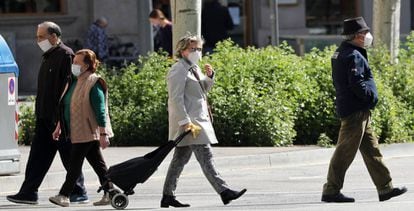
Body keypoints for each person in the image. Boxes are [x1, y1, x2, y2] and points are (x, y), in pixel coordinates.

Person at [321, 17, 407, 203]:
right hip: (356, 111)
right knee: (344, 152)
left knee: (371, 150)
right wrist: (370, 97)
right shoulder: (353, 55)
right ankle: (331, 190)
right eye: (365, 33)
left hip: (358, 110)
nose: (368, 36)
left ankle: (385, 188)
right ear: (357, 36)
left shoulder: (343, 51)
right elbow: (356, 82)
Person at [6, 21, 88, 205]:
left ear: (54, 36)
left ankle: (78, 191)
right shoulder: (48, 56)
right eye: (37, 36)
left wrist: (62, 117)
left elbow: (69, 88)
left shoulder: (66, 55)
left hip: (59, 119)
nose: (38, 40)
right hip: (44, 116)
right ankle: (28, 192)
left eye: (41, 36)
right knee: (38, 157)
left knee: (68, 155)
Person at [161, 34, 246, 208]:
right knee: (206, 156)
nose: (197, 52)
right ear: (183, 50)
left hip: (197, 120)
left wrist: (209, 77)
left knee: (179, 160)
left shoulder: (194, 68)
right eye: (193, 49)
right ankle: (224, 191)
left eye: (199, 49)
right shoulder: (178, 70)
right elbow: (175, 98)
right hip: (191, 124)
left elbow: (202, 91)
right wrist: (184, 121)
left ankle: (167, 196)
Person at [49, 49, 114, 207]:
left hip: (87, 130)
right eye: (73, 62)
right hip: (75, 129)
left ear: (87, 65)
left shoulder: (94, 82)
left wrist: (103, 133)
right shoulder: (75, 81)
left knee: (74, 164)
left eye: (77, 63)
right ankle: (111, 192)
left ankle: (64, 195)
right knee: (98, 165)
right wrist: (59, 126)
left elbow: (100, 110)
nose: (74, 65)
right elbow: (66, 105)